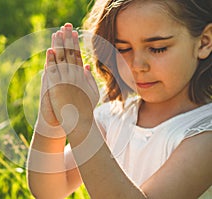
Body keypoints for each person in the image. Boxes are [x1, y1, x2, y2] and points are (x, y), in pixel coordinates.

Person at [27, 0, 212, 198]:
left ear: (204, 42)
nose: (138, 65)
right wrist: (52, 118)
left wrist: (81, 122)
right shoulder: (113, 117)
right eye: (123, 49)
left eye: (157, 48)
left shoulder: (205, 134)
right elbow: (50, 190)